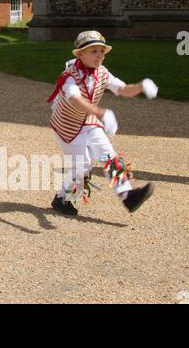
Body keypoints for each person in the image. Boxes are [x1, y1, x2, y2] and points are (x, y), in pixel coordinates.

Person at [46, 31, 155, 216]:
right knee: (83, 165)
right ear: (80, 54)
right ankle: (62, 199)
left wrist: (141, 86)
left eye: (102, 51)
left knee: (109, 155)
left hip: (88, 120)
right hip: (67, 126)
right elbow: (74, 99)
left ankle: (127, 195)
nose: (100, 55)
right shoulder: (69, 76)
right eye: (94, 51)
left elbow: (121, 89)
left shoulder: (103, 73)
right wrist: (101, 112)